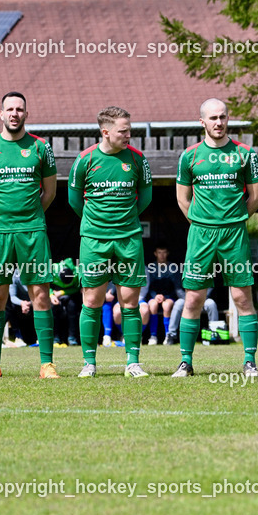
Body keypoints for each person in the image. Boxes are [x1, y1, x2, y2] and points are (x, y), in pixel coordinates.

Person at [0, 92, 59, 379]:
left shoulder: (41, 148)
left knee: (40, 295)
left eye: (19, 109)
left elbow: (50, 191)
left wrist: (29, 216)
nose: (14, 113)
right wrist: (0, 216)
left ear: (26, 114)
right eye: (9, 109)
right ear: (1, 114)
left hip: (32, 231)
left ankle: (47, 364)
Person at [175, 98, 258, 377]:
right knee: (193, 299)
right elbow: (182, 199)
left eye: (223, 117)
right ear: (202, 121)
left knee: (242, 297)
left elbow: (256, 197)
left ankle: (250, 362)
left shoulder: (245, 153)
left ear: (228, 119)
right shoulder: (189, 156)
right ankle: (186, 362)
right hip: (201, 233)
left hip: (234, 232)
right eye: (213, 118)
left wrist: (233, 220)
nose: (218, 122)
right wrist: (203, 222)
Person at [69, 106, 153, 377]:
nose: (129, 134)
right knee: (91, 301)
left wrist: (123, 221)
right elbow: (74, 200)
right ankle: (89, 363)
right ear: (105, 132)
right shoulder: (84, 160)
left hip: (129, 239)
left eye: (130, 129)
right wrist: (98, 224)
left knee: (129, 302)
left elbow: (146, 197)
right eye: (123, 131)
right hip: (94, 240)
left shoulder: (138, 159)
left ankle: (133, 362)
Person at [144, 243, 182, 344]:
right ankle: (153, 336)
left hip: (168, 297)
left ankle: (167, 335)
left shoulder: (174, 268)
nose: (162, 255)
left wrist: (166, 297)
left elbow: (177, 287)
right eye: (159, 253)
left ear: (167, 253)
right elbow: (148, 286)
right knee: (153, 305)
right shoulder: (150, 267)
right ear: (155, 253)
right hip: (154, 296)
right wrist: (155, 296)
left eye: (164, 253)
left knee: (167, 306)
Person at [49, 258, 82, 346]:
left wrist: (63, 292)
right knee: (53, 309)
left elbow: (77, 288)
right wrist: (51, 295)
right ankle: (55, 338)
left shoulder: (77, 272)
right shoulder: (52, 270)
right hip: (54, 293)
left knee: (73, 307)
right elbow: (45, 284)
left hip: (70, 294)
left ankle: (72, 337)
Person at [7, 271, 37, 346]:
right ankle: (18, 337)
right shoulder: (16, 275)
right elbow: (12, 296)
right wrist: (22, 303)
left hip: (35, 304)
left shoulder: (38, 273)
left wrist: (30, 303)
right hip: (20, 306)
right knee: (10, 307)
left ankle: (40, 337)